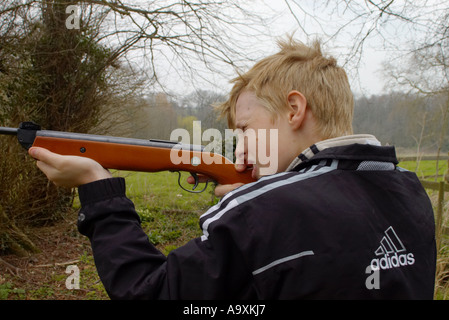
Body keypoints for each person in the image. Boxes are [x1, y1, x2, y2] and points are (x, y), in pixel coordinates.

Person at [28, 37, 436, 299]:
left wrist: (98, 188)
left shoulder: (263, 210)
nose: (241, 146)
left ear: (294, 110)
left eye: (245, 128)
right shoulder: (410, 191)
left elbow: (148, 293)